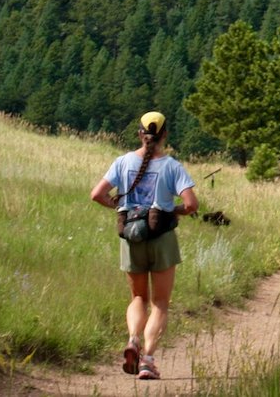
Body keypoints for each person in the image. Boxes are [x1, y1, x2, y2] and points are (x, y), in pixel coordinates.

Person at [89, 111, 198, 381]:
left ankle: (133, 339)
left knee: (138, 297)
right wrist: (174, 211)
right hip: (161, 238)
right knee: (160, 303)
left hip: (131, 236)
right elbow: (192, 204)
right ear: (164, 136)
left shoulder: (122, 162)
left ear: (140, 133)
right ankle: (147, 360)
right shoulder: (172, 166)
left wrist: (120, 206)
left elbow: (97, 194)